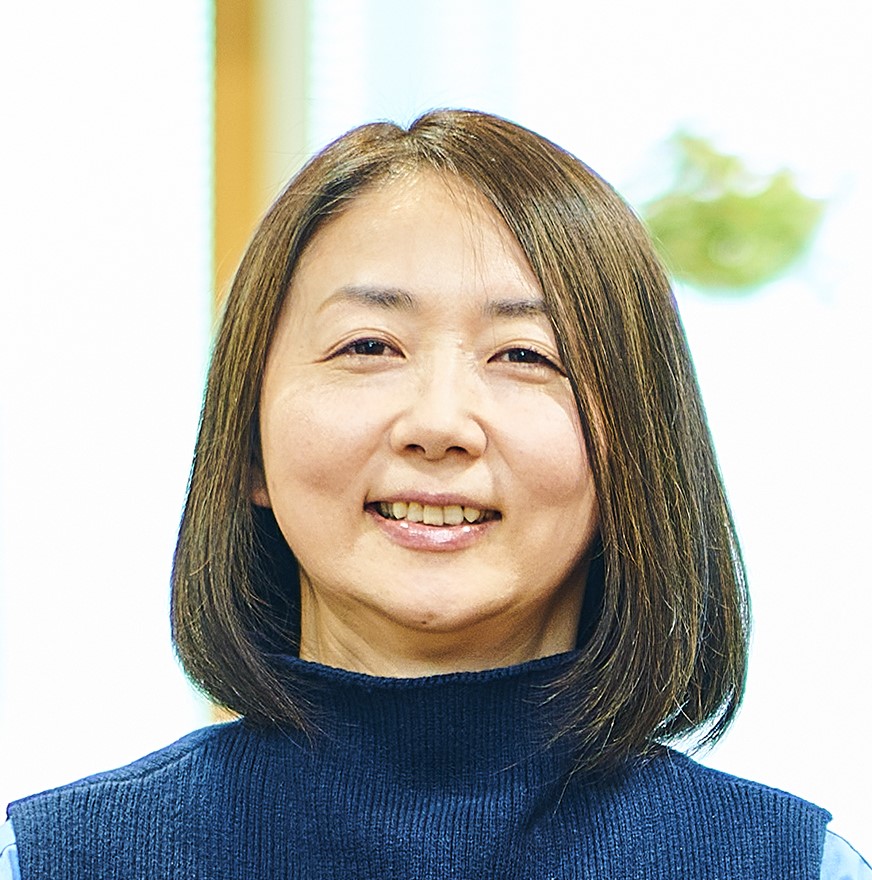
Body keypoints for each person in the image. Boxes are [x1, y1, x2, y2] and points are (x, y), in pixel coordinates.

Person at [2, 109, 868, 879]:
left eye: (525, 355)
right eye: (368, 346)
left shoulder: (796, 868)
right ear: (248, 447)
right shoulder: (53, 863)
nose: (440, 422)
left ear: (635, 456)